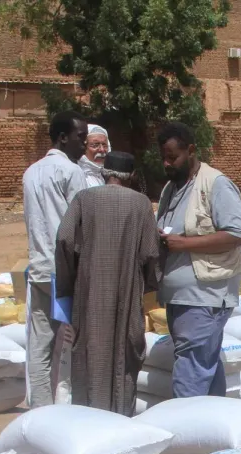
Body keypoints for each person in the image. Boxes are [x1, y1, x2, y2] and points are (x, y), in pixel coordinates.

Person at [54, 151, 158, 414]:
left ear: (103, 172)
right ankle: (120, 419)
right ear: (132, 176)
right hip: (127, 289)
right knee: (124, 351)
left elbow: (64, 240)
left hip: (88, 292)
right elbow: (150, 253)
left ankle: (88, 418)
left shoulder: (84, 198)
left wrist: (69, 284)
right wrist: (148, 284)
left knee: (89, 351)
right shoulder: (141, 204)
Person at [155, 121, 241, 399]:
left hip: (205, 295)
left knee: (190, 371)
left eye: (173, 157)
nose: (166, 163)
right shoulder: (170, 189)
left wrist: (184, 244)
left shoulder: (215, 184)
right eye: (164, 157)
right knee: (203, 365)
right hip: (180, 296)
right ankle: (214, 433)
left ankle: (187, 437)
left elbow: (237, 233)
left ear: (192, 151)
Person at [22, 110, 88, 407]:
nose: (84, 144)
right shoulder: (71, 172)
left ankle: (40, 409)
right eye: (81, 137)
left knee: (40, 344)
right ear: (63, 138)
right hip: (64, 272)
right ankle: (73, 406)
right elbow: (82, 222)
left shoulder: (31, 171)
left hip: (38, 269)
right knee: (76, 339)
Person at [79, 123, 110, 189]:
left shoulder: (105, 177)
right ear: (84, 148)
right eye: (95, 145)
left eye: (104, 145)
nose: (102, 150)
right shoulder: (77, 175)